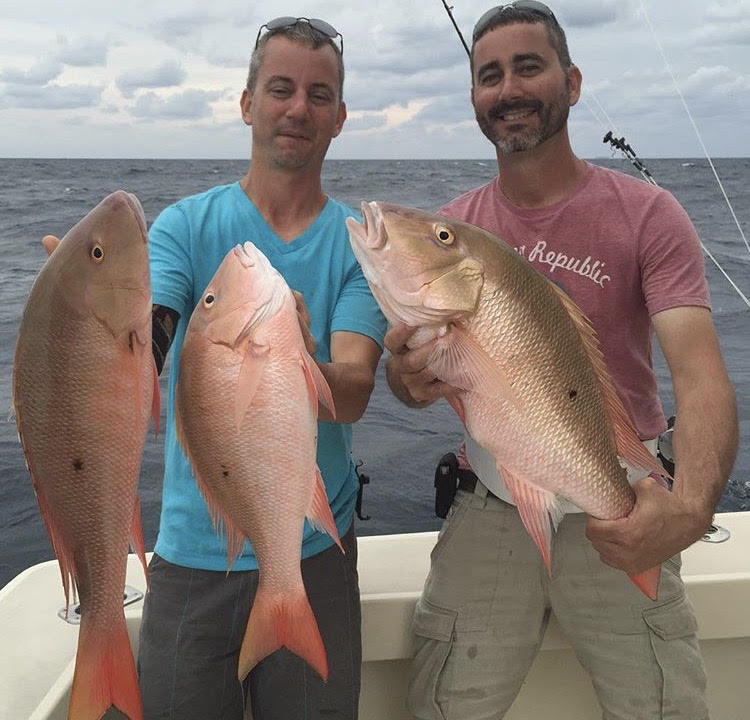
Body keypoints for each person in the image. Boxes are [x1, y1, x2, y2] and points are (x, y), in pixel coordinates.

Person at [384, 3, 738, 719]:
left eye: (528, 67)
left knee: (663, 707)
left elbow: (699, 373)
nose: (508, 88)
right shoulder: (457, 227)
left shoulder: (649, 213)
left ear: (572, 83)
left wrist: (690, 507)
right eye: (490, 75)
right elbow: (414, 378)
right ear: (476, 99)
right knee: (445, 703)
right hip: (489, 500)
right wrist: (406, 377)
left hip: (622, 491)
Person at [138, 17, 386, 720]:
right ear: (248, 104)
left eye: (318, 94)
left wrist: (300, 362)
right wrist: (99, 326)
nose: (297, 108)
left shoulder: (357, 247)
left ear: (339, 117)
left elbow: (356, 392)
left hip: (314, 554)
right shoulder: (184, 227)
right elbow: (150, 341)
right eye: (280, 89)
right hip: (194, 549)